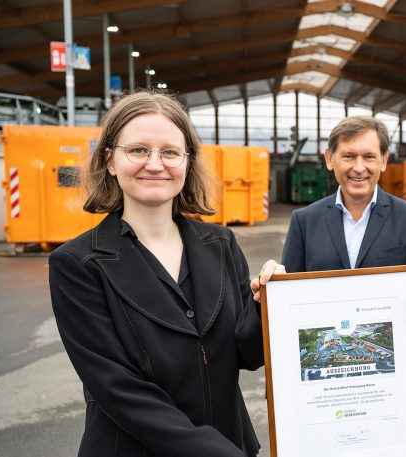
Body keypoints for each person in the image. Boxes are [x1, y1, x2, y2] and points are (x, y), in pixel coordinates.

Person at [49, 91, 281, 456]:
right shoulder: (78, 264)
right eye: (138, 150)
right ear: (110, 160)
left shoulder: (220, 243)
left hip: (231, 441)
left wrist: (267, 303)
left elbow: (246, 353)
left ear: (187, 162)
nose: (155, 164)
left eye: (170, 152)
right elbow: (118, 388)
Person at [281, 115, 406, 282]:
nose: (359, 168)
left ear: (383, 161)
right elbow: (287, 294)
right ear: (329, 159)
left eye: (369, 157)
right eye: (348, 156)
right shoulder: (304, 222)